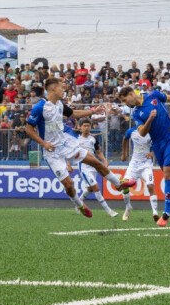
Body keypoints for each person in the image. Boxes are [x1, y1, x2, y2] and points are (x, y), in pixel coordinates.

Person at [24, 77, 136, 218]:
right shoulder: (39, 107)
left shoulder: (59, 104)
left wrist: (93, 111)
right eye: (61, 87)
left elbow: (74, 114)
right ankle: (79, 204)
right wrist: (44, 143)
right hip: (52, 151)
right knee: (69, 184)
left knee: (95, 161)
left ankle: (118, 184)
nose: (63, 90)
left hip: (66, 144)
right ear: (53, 89)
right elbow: (28, 129)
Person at [117, 85, 170, 227]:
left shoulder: (153, 95)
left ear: (131, 94)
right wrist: (149, 119)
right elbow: (142, 133)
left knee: (167, 174)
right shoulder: (136, 113)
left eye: (125, 100)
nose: (126, 104)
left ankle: (166, 214)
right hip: (157, 144)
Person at [71, 118, 117, 217]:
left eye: (88, 126)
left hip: (93, 166)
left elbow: (98, 152)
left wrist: (104, 161)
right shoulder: (76, 140)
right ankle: (109, 211)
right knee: (96, 187)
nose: (87, 128)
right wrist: (68, 164)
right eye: (84, 126)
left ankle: (79, 202)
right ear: (80, 127)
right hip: (83, 166)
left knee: (90, 188)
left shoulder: (93, 139)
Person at [120, 110, 160, 221]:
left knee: (150, 186)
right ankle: (128, 208)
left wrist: (153, 153)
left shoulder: (152, 133)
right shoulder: (131, 132)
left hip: (146, 165)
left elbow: (159, 145)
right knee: (125, 185)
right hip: (133, 165)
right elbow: (125, 139)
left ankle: (155, 213)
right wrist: (124, 153)